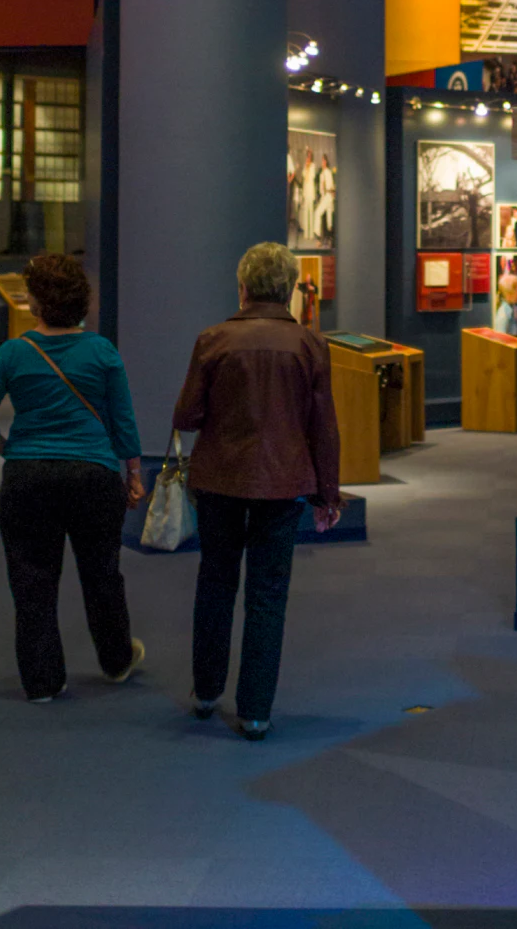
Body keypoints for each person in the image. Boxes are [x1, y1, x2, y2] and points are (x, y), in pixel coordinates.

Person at [172, 242, 342, 740]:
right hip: (283, 484)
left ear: (242, 287)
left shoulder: (213, 340)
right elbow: (323, 427)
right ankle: (255, 711)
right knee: (268, 596)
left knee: (216, 583)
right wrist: (328, 494)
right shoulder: (311, 346)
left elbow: (186, 416)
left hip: (220, 479)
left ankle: (206, 692)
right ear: (290, 290)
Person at [0, 253, 147, 703]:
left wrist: (9, 450)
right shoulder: (102, 351)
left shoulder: (12, 353)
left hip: (28, 479)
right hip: (93, 474)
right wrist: (134, 473)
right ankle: (116, 659)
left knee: (31, 580)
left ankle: (43, 680)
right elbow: (123, 423)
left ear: (36, 304)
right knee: (103, 573)